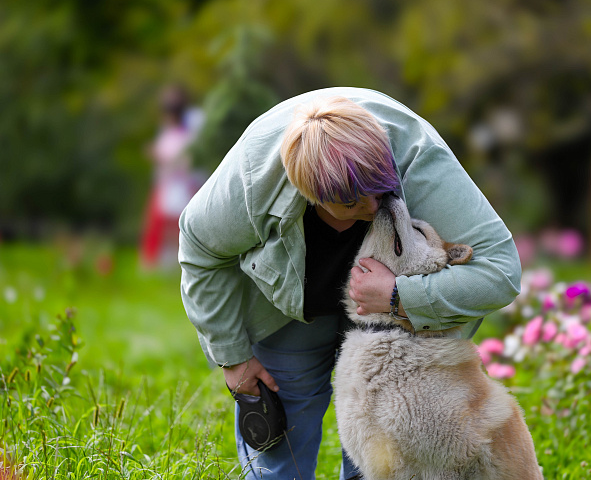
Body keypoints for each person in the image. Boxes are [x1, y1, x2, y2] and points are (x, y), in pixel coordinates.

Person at [178, 87, 521, 480]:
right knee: (280, 445)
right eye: (354, 203)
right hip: (288, 312)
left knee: (383, 452)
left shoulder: (417, 155)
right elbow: (200, 249)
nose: (375, 208)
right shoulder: (252, 178)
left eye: (382, 189)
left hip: (396, 322)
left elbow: (502, 272)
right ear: (311, 195)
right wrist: (232, 356)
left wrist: (399, 296)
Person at [141, 84, 203, 269]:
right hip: (166, 184)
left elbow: (186, 162)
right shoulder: (167, 133)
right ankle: (156, 262)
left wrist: (163, 159)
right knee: (161, 225)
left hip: (182, 186)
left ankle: (179, 262)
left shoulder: (188, 133)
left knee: (179, 226)